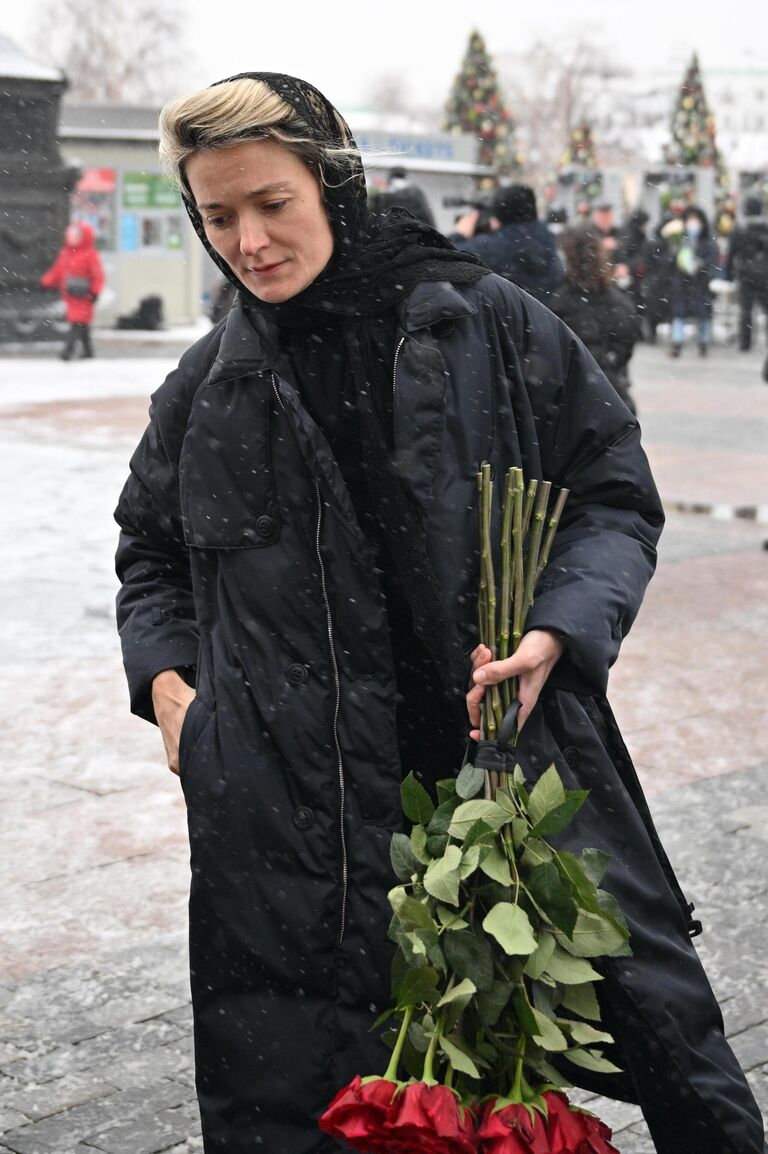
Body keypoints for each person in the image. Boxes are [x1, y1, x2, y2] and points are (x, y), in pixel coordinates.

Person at [114, 72, 764, 1154]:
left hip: (513, 775)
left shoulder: (484, 325)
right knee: (307, 1102)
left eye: (272, 202)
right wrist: (172, 686)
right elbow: (151, 553)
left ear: (334, 182)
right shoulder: (206, 389)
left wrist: (559, 625)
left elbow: (611, 492)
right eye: (217, 215)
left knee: (671, 1058)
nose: (248, 240)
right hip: (288, 818)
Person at [549, 228, 641, 414]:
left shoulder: (559, 303)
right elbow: (625, 346)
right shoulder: (620, 303)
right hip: (614, 397)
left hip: (572, 401)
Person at [449, 182, 563, 305]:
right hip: (541, 318)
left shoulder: (498, 247)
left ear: (498, 215)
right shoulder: (545, 238)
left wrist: (459, 235)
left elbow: (447, 259)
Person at [40, 221, 105, 360]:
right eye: (71, 235)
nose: (72, 238)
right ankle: (88, 351)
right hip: (71, 295)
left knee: (77, 322)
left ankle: (68, 351)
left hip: (84, 295)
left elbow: (98, 276)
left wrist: (95, 292)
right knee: (82, 324)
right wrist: (46, 282)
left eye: (76, 235)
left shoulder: (90, 254)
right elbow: (57, 271)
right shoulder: (66, 253)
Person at [666, 205, 720, 357]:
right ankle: (677, 341)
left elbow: (712, 261)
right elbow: (669, 261)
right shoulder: (679, 240)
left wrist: (700, 265)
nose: (693, 223)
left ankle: (703, 342)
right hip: (682, 283)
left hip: (700, 284)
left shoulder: (707, 242)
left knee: (703, 314)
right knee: (679, 313)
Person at [726, 196, 768, 352]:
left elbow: (731, 254)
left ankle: (745, 343)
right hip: (765, 273)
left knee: (745, 310)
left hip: (745, 274)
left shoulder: (739, 229)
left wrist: (728, 273)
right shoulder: (765, 227)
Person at [369, 164, 436, 227]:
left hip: (392, 233)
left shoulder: (385, 193)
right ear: (404, 176)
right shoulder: (416, 191)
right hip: (415, 232)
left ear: (390, 177)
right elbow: (427, 215)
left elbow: (377, 216)